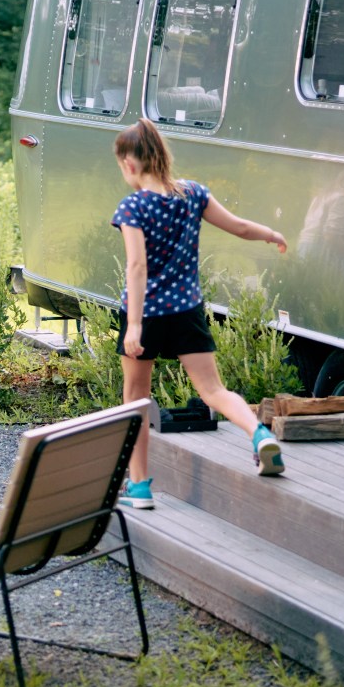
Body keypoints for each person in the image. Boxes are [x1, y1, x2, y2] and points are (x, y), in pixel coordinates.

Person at [111, 118, 289, 510]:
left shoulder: (134, 206)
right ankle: (259, 434)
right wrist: (270, 234)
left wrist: (135, 325)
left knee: (136, 399)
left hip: (147, 314)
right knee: (213, 390)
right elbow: (240, 227)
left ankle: (139, 488)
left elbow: (137, 267)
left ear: (129, 164)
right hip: (187, 310)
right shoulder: (193, 193)